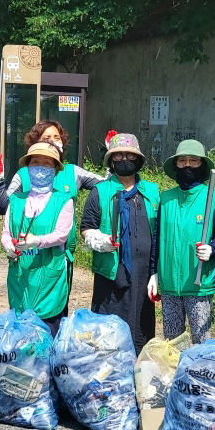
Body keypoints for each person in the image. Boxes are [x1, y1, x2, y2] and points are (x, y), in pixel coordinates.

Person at [79, 132, 159, 352]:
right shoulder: (100, 191)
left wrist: (156, 270)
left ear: (138, 160)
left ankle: (136, 369)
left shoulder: (152, 191)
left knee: (141, 324)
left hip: (144, 273)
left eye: (130, 156)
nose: (124, 160)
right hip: (110, 272)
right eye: (118, 156)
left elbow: (160, 231)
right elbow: (86, 227)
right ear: (111, 161)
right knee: (108, 327)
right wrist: (102, 240)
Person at [149, 140, 215, 344]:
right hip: (169, 283)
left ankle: (200, 375)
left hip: (198, 283)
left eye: (193, 161)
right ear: (175, 164)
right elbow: (157, 238)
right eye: (182, 161)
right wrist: (154, 273)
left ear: (202, 165)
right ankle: (176, 375)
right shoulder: (165, 199)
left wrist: (211, 248)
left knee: (202, 341)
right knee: (172, 342)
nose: (187, 165)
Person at [1, 142, 75, 335]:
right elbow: (6, 231)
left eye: (47, 163)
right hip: (20, 276)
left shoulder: (64, 200)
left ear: (55, 170)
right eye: (35, 162)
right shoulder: (16, 200)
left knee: (47, 335)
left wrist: (37, 241)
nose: (40, 167)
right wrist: (8, 245)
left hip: (48, 277)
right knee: (20, 334)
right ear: (28, 168)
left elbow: (61, 234)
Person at [0, 120, 104, 217]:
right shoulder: (23, 174)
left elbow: (107, 186)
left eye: (57, 137)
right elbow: (4, 207)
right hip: (27, 241)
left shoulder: (73, 172)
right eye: (47, 138)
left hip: (63, 243)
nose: (52, 141)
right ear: (36, 143)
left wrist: (113, 158)